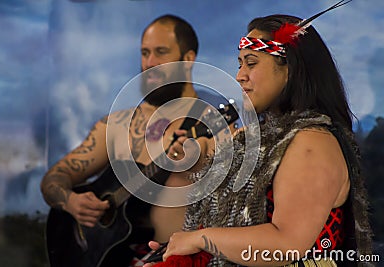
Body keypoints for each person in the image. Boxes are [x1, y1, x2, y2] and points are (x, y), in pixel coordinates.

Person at [145, 6, 374, 267]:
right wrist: (184, 252)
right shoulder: (263, 138)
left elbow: (286, 245)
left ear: (290, 70)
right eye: (240, 64)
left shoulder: (312, 142)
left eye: (251, 63)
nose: (239, 76)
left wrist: (200, 239)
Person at [41, 14, 234, 267]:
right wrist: (71, 202)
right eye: (144, 53)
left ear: (188, 59)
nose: (149, 63)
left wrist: (202, 162)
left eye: (161, 52)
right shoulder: (117, 125)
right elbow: (54, 178)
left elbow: (234, 206)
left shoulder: (212, 125)